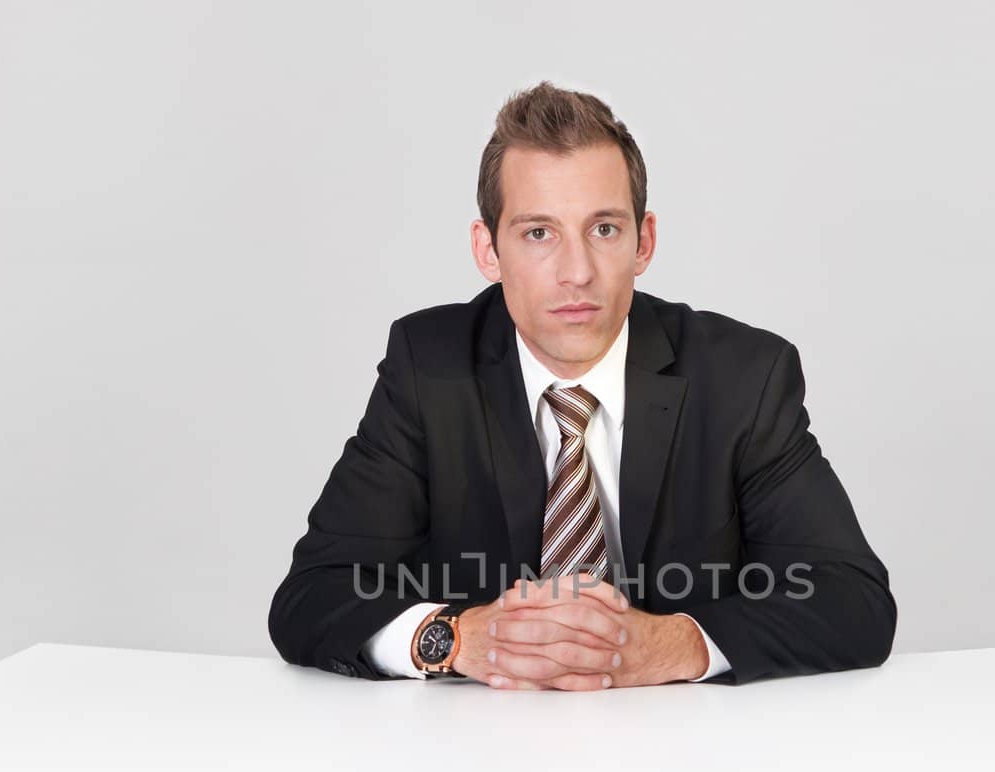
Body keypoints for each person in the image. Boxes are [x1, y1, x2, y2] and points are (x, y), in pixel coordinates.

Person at [268, 81, 895, 689]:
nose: (576, 273)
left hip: (693, 758)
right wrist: (458, 639)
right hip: (467, 756)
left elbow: (850, 597)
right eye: (538, 233)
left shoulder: (743, 377)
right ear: (488, 250)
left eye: (604, 229)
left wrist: (668, 645)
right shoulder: (428, 368)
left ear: (643, 241)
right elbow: (314, 594)